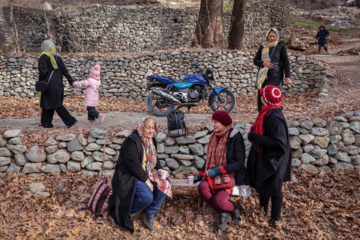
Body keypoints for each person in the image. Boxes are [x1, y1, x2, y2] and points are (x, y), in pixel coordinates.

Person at [108, 116, 172, 233]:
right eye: (148, 128)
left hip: (145, 173)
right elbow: (133, 165)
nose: (151, 131)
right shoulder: (131, 141)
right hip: (130, 176)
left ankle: (149, 213)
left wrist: (160, 170)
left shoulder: (151, 140)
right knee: (146, 197)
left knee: (165, 184)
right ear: (141, 127)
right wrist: (147, 181)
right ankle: (123, 211)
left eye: (153, 128)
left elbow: (154, 159)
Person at [247, 85, 292, 229]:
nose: (260, 97)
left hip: (276, 159)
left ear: (265, 99)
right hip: (268, 156)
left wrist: (253, 136)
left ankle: (275, 218)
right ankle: (262, 212)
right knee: (264, 184)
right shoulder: (267, 113)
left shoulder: (275, 118)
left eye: (262, 95)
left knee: (275, 187)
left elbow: (279, 143)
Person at [194, 110, 248, 231]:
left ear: (224, 123)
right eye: (212, 121)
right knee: (202, 187)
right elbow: (209, 159)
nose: (213, 125)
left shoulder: (235, 136)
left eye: (216, 122)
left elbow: (239, 163)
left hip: (228, 176)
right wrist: (200, 174)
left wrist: (219, 171)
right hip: (212, 175)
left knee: (219, 201)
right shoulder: (214, 136)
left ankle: (234, 209)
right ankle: (223, 214)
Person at [38, 40, 78, 129]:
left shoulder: (44, 57)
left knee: (56, 104)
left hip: (49, 85)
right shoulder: (57, 58)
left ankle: (71, 121)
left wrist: (41, 82)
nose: (41, 47)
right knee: (47, 103)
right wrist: (70, 81)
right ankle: (46, 123)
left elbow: (43, 72)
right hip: (58, 85)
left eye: (42, 45)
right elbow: (65, 71)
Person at [253, 28, 291, 112]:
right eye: (270, 36)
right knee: (262, 99)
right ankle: (262, 118)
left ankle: (275, 118)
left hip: (276, 78)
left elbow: (286, 62)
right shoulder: (263, 47)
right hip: (264, 79)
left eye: (273, 36)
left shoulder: (280, 46)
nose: (272, 38)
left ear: (277, 36)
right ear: (267, 36)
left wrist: (287, 76)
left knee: (274, 98)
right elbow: (255, 60)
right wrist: (263, 63)